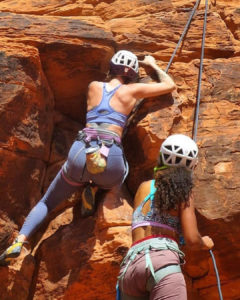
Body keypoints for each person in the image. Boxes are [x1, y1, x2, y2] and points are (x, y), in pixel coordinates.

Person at [0, 50, 176, 265]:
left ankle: (20, 240)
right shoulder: (132, 91)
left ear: (111, 68)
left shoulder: (93, 86)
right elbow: (169, 85)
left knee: (47, 201)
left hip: (81, 150)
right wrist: (153, 65)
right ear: (132, 74)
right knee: (120, 177)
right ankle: (94, 188)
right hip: (110, 153)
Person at [117, 134, 214, 300]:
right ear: (191, 165)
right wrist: (205, 242)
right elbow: (192, 239)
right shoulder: (184, 191)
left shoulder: (143, 187)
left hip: (130, 270)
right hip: (162, 263)